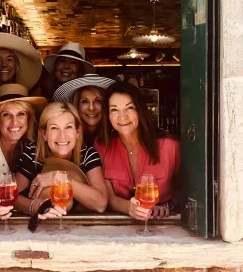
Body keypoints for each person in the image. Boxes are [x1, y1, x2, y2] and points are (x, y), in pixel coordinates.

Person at [94, 81, 180, 221]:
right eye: (114, 109)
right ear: (107, 115)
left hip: (165, 226)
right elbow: (108, 197)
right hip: (118, 227)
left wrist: (169, 205)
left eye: (129, 108)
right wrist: (130, 208)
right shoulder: (102, 147)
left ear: (140, 110)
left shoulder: (171, 146)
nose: (122, 117)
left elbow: (189, 189)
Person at [13, 102, 108, 218]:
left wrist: (61, 179)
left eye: (68, 127)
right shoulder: (33, 152)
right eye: (54, 128)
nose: (62, 136)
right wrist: (35, 206)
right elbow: (13, 197)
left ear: (78, 132)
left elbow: (101, 204)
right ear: (44, 134)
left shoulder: (87, 154)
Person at [0, 83, 47, 219]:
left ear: (29, 118)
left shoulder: (31, 144)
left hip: (24, 219)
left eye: (21, 114)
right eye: (6, 115)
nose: (14, 122)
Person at [52, 73, 116, 146]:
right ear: (77, 105)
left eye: (98, 101)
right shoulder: (66, 136)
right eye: (85, 101)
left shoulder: (116, 134)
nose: (91, 108)